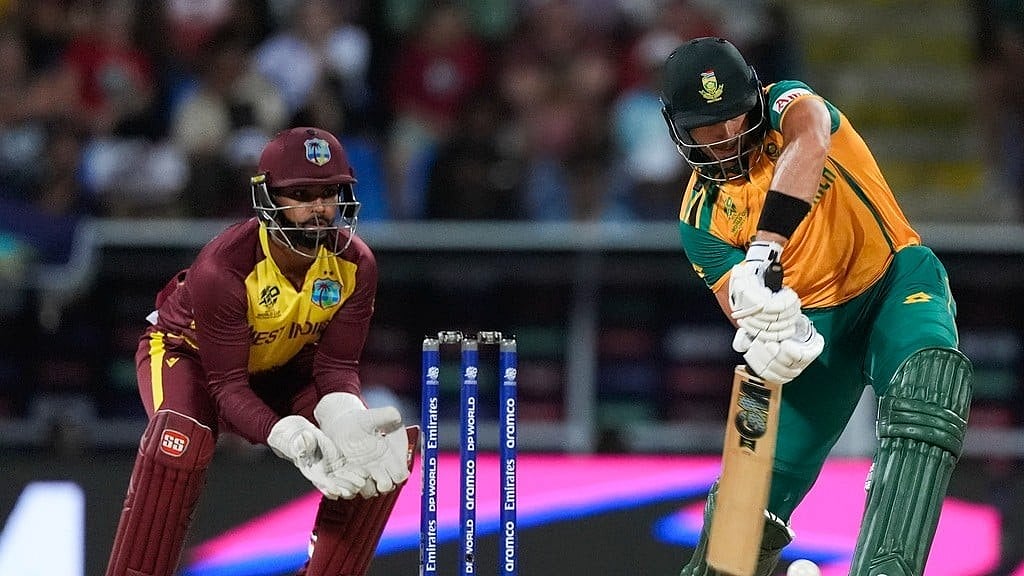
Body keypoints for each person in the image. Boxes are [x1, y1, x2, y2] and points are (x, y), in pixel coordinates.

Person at [659, 37, 973, 575]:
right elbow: (743, 307)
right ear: (680, 130)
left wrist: (765, 248)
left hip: (893, 280)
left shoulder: (789, 105)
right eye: (710, 131)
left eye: (738, 117)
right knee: (741, 508)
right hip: (815, 327)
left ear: (757, 96)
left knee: (928, 383)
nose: (731, 137)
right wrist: (769, 335)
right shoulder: (698, 218)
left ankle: (886, 566)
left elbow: (812, 137)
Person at [105, 126, 415, 576]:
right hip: (186, 357)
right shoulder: (224, 267)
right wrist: (280, 433)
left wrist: (343, 414)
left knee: (376, 452)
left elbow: (336, 367)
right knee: (181, 444)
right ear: (269, 199)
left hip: (282, 367)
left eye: (329, 192)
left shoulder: (356, 263)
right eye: (301, 194)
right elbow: (225, 385)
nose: (319, 209)